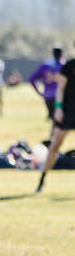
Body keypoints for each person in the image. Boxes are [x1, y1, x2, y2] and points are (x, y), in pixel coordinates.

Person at [37, 44, 75, 193]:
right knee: (55, 146)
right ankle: (42, 180)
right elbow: (60, 88)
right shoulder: (68, 66)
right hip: (67, 112)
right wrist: (58, 108)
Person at [29, 46, 65, 126]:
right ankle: (54, 136)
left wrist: (40, 92)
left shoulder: (45, 66)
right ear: (62, 54)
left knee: (54, 119)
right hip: (60, 97)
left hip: (48, 97)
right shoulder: (64, 66)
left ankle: (52, 136)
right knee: (59, 121)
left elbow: (32, 79)